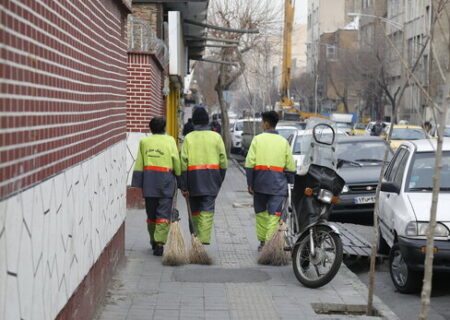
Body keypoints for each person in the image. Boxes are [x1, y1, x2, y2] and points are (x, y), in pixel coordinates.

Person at [244, 111, 296, 251]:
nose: (262, 124)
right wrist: (290, 183)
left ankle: (263, 242)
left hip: (259, 183)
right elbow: (290, 166)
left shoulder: (257, 139)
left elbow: (249, 163)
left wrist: (250, 183)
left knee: (261, 214)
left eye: (262, 122)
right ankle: (270, 244)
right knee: (274, 215)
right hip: (278, 185)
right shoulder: (283, 142)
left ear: (266, 123)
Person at [131, 117, 181, 256]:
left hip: (149, 182)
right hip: (166, 181)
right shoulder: (170, 141)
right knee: (163, 213)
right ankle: (160, 243)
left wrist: (137, 182)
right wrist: (180, 177)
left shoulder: (144, 142)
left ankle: (154, 240)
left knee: (151, 214)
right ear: (164, 127)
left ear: (151, 128)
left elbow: (139, 163)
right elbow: (176, 160)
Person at [180, 108, 228, 244]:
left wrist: (183, 185)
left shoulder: (189, 138)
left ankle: (195, 238)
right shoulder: (216, 137)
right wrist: (219, 180)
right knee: (207, 209)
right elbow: (223, 161)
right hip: (212, 177)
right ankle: (203, 239)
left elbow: (183, 163)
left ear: (194, 121)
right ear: (207, 120)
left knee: (194, 211)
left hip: (193, 179)